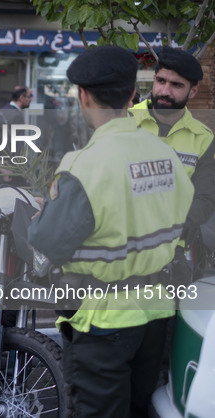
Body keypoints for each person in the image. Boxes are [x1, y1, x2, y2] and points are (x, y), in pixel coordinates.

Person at [28, 45, 194, 417]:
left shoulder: (84, 165)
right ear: (133, 94)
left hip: (104, 320)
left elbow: (47, 242)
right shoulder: (165, 154)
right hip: (156, 313)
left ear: (82, 96)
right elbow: (178, 213)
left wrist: (42, 216)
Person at [130, 47, 215, 251]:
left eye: (176, 85)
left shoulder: (203, 138)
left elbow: (204, 201)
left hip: (172, 252)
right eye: (161, 81)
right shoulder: (125, 121)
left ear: (193, 91)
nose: (165, 91)